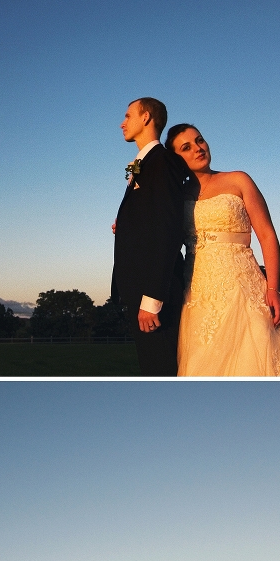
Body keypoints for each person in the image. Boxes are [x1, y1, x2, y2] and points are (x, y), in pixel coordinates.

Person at [166, 124, 280, 376]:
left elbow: (267, 235)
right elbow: (156, 229)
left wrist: (273, 288)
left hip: (243, 285)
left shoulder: (238, 179)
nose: (198, 148)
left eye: (200, 140)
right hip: (197, 294)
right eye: (187, 147)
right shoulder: (174, 195)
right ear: (176, 158)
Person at [111, 98, 188, 375]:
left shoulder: (164, 161)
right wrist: (128, 223)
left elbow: (168, 229)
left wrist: (152, 299)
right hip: (139, 289)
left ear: (146, 118)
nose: (122, 122)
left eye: (128, 115)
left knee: (161, 371)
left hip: (154, 294)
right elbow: (150, 215)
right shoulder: (139, 164)